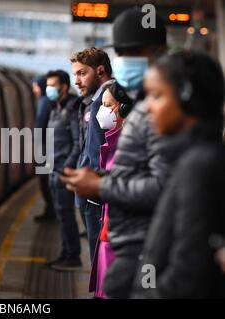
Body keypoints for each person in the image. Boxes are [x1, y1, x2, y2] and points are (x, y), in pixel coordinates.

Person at [61, 8, 170, 298]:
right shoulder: (141, 105)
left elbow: (163, 185)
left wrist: (100, 185)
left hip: (150, 250)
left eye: (133, 51)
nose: (126, 59)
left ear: (159, 52)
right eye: (122, 51)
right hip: (126, 242)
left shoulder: (169, 110)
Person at [131, 51, 225, 298]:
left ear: (186, 97)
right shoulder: (194, 157)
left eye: (156, 95)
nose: (148, 107)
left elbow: (188, 273)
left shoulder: (199, 166)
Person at [87, 82, 132, 298]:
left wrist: (99, 185)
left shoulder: (127, 147)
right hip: (109, 236)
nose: (101, 112)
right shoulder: (112, 142)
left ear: (123, 108)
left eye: (106, 105)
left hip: (121, 242)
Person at [70, 47, 114, 260]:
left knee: (99, 258)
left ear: (100, 70)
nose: (77, 81)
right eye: (75, 75)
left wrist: (89, 191)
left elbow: (98, 153)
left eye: (81, 73)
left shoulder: (102, 103)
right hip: (97, 193)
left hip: (96, 196)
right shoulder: (101, 100)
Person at [45, 70, 83, 271]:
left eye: (52, 85)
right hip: (54, 170)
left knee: (66, 215)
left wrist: (66, 168)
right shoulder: (56, 109)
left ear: (64, 87)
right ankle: (65, 253)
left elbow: (78, 143)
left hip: (62, 172)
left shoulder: (71, 109)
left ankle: (72, 256)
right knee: (61, 215)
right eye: (48, 85)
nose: (49, 89)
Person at [32, 75, 56, 222]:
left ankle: (50, 211)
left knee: (45, 181)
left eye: (34, 85)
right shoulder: (49, 101)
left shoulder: (44, 102)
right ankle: (51, 210)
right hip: (50, 147)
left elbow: (40, 126)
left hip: (46, 149)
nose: (33, 89)